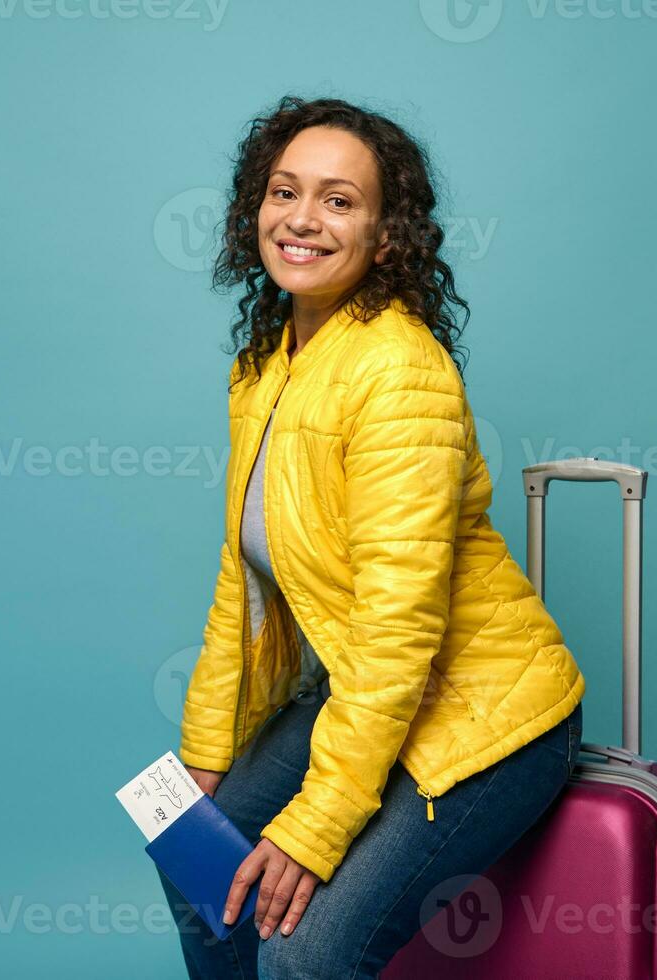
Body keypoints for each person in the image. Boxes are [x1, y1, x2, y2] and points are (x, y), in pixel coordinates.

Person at [162, 95, 585, 980]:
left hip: (483, 721)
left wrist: (314, 828)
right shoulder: (265, 369)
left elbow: (399, 632)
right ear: (255, 210)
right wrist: (206, 758)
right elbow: (241, 578)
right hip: (374, 695)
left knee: (304, 954)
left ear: (386, 235)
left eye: (338, 200)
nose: (302, 219)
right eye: (284, 192)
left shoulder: (398, 372)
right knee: (199, 860)